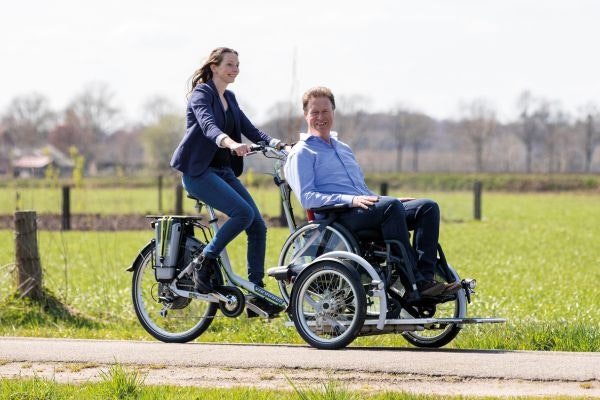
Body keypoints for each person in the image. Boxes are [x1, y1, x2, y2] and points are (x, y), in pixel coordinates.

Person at [284, 86, 460, 297]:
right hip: (337, 218)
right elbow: (307, 198)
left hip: (362, 208)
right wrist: (352, 200)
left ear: (333, 112)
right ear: (306, 115)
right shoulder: (302, 153)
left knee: (427, 207)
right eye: (315, 112)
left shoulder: (343, 148)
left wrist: (384, 200)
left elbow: (360, 189)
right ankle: (414, 284)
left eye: (325, 111)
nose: (320, 117)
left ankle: (426, 277)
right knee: (390, 208)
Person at [170, 47, 284, 313]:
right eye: (230, 64)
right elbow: (209, 126)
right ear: (214, 67)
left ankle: (255, 291)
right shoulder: (202, 94)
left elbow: (250, 129)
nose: (235, 69)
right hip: (198, 172)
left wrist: (278, 144)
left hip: (223, 171)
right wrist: (230, 143)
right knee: (242, 213)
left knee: (258, 226)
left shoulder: (229, 97)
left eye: (237, 64)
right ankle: (204, 261)